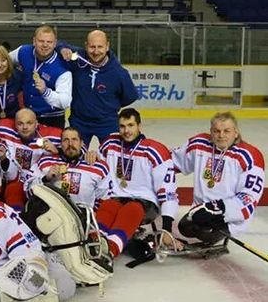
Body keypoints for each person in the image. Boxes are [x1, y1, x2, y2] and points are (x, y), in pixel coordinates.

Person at [97, 108, 180, 259]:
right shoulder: (109, 144)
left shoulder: (155, 150)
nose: (126, 131)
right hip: (116, 197)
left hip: (145, 203)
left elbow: (168, 191)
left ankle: (110, 251)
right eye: (122, 126)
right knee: (108, 206)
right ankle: (95, 243)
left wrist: (166, 230)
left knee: (131, 208)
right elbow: (98, 171)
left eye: (131, 125)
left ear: (139, 126)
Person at [171, 112, 264, 246]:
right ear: (211, 132)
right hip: (200, 210)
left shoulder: (250, 156)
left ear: (236, 132)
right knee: (185, 227)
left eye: (227, 131)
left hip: (229, 214)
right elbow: (171, 162)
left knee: (207, 232)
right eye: (216, 131)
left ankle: (219, 233)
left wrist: (218, 208)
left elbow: (249, 198)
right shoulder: (199, 144)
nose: (221, 135)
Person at [59, 30, 138, 146]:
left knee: (112, 156)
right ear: (86, 46)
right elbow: (56, 44)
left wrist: (108, 104)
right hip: (79, 121)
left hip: (107, 123)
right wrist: (62, 49)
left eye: (100, 47)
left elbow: (130, 96)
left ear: (107, 46)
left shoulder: (119, 73)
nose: (96, 51)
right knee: (75, 157)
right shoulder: (78, 58)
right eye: (92, 47)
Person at [8, 26, 72, 129]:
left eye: (49, 42)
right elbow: (4, 59)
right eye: (41, 41)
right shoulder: (23, 51)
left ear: (55, 43)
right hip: (27, 116)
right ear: (34, 41)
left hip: (52, 119)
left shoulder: (63, 67)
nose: (45, 45)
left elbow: (65, 102)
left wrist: (46, 91)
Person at [35, 127, 112, 209]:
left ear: (82, 143)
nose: (70, 143)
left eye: (74, 139)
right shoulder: (45, 162)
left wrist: (90, 215)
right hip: (51, 216)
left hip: (83, 218)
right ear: (61, 144)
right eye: (66, 140)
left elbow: (104, 199)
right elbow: (29, 192)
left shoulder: (98, 167)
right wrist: (46, 179)